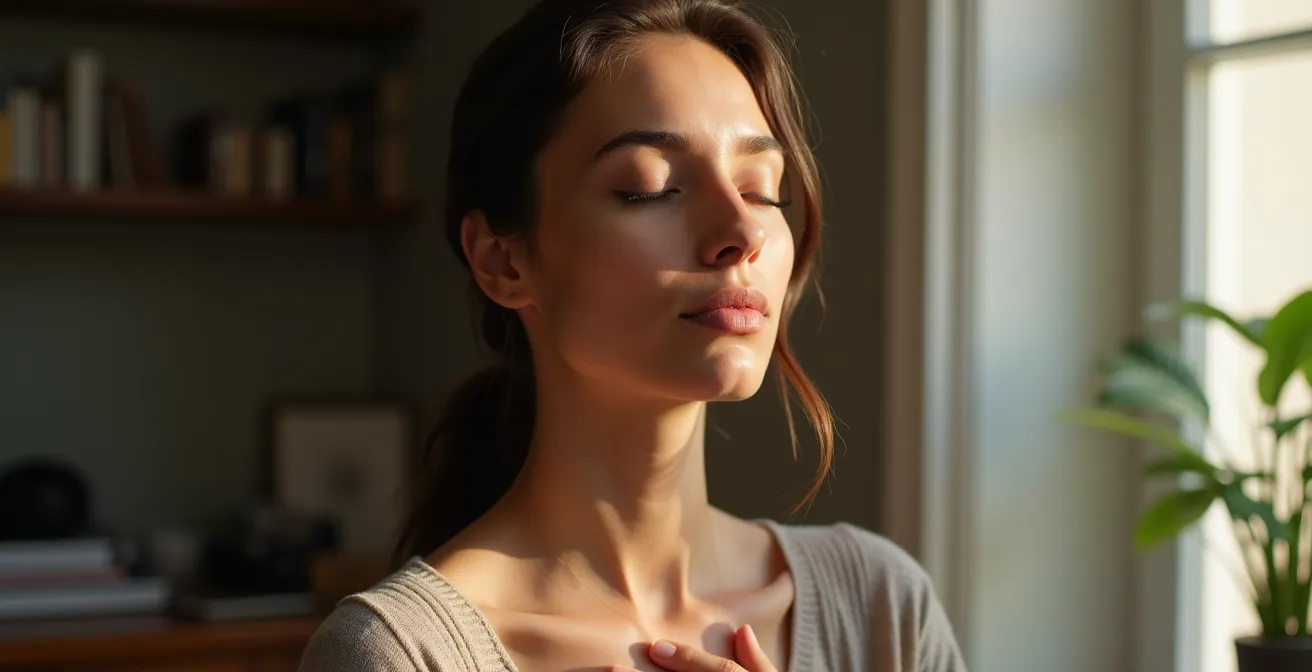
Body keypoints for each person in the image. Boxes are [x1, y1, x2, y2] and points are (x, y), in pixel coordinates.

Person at [299, 0, 965, 670]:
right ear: (503, 260)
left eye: (761, 189)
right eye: (651, 188)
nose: (741, 232)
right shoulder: (398, 653)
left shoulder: (881, 609)